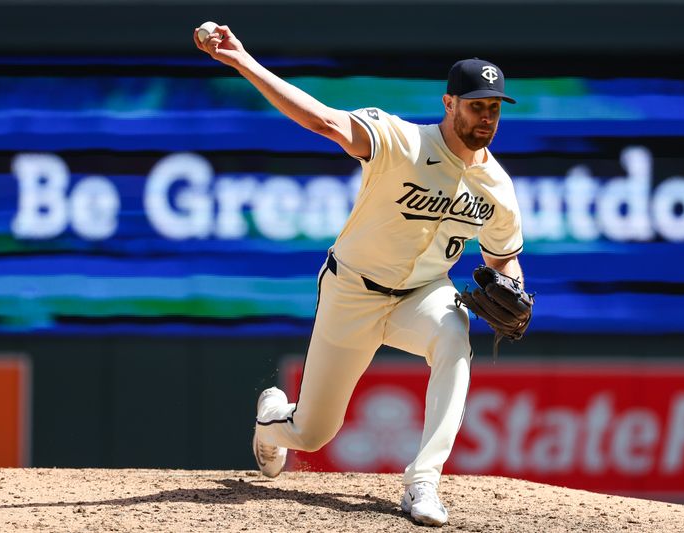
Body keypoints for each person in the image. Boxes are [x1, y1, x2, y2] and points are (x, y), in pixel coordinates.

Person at [195, 24, 525, 527]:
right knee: (312, 434)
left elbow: (503, 259)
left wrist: (514, 288)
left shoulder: (497, 185)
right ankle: (271, 422)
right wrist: (244, 61)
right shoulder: (400, 140)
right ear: (449, 103)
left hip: (423, 295)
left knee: (455, 337)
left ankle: (423, 482)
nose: (487, 116)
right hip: (353, 289)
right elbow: (325, 121)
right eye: (477, 105)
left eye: (495, 107)